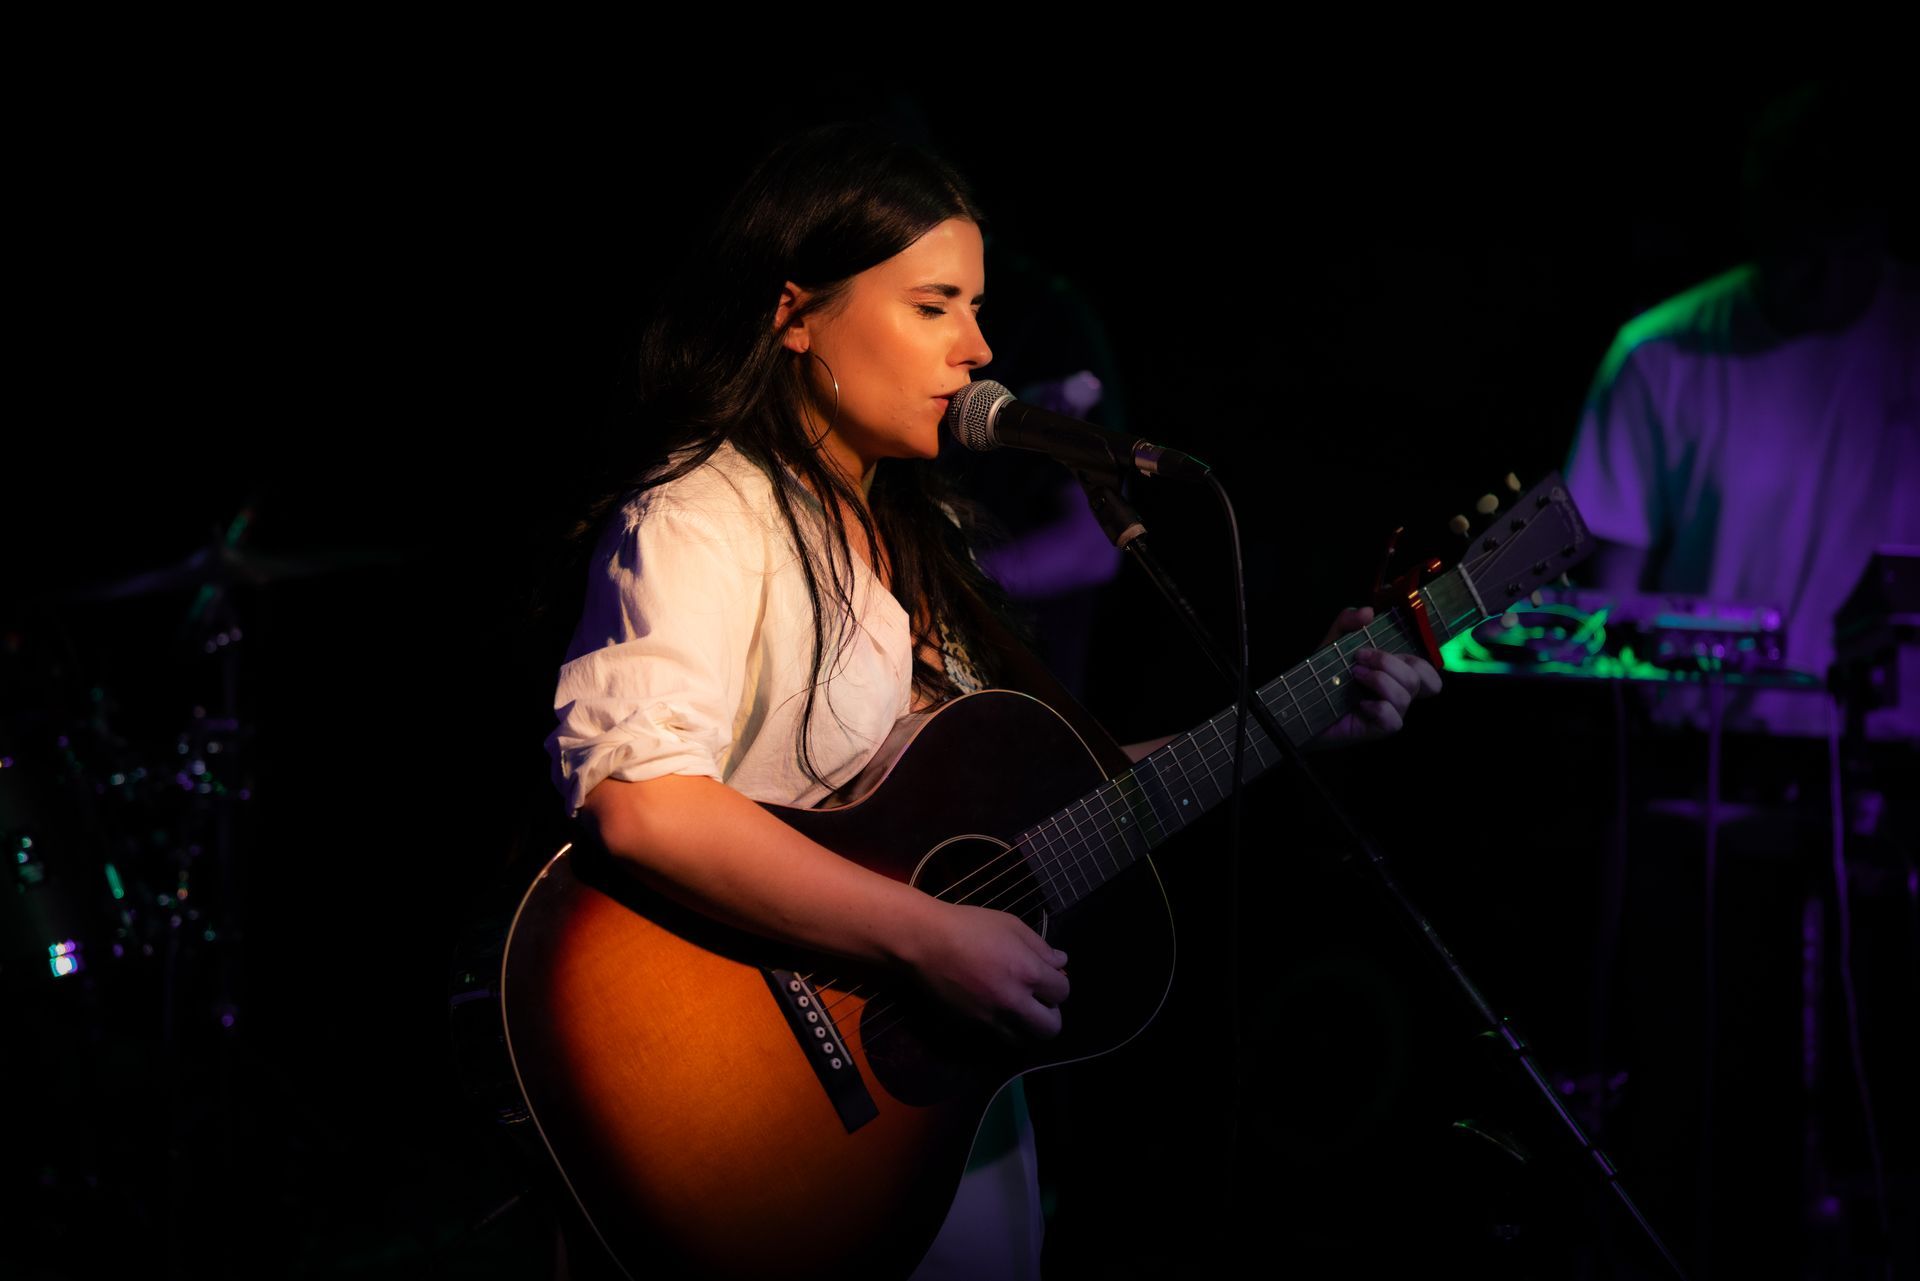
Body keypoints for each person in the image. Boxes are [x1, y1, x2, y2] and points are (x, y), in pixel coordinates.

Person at [543, 123, 1440, 1279]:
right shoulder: (706, 515)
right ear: (796, 314)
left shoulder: (917, 536)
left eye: (974, 305)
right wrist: (928, 934)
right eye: (934, 306)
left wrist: (1302, 714)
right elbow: (640, 801)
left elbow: (1048, 803)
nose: (978, 347)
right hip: (763, 1100)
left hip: (926, 1123)